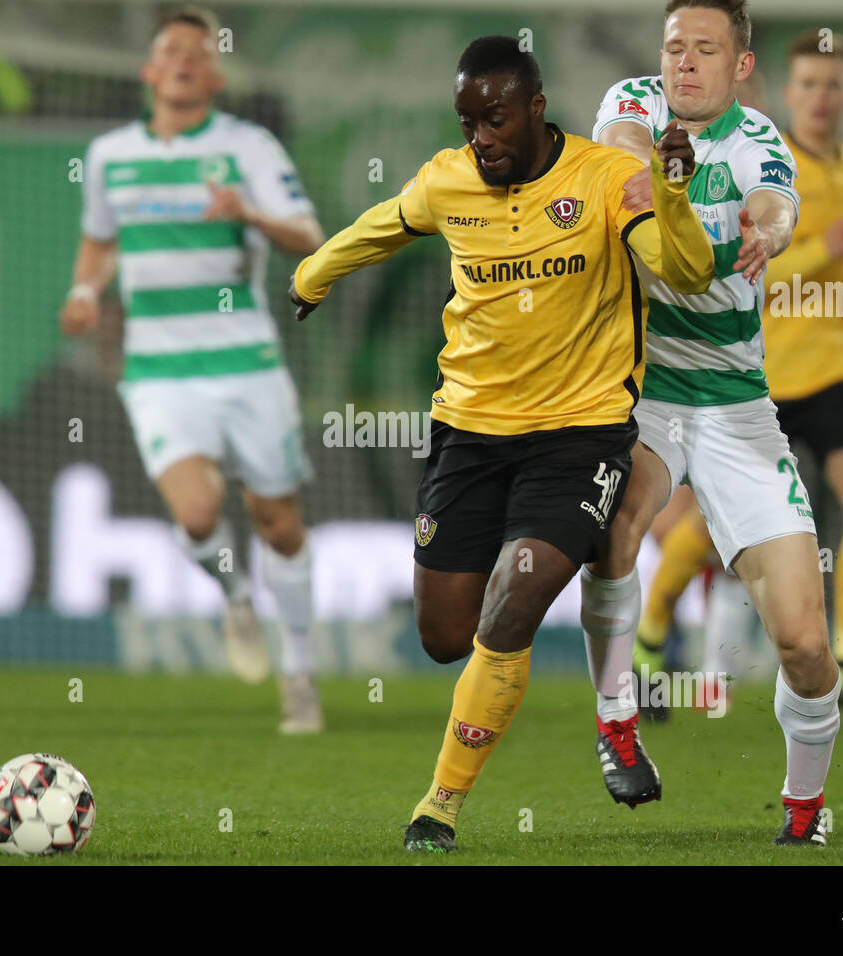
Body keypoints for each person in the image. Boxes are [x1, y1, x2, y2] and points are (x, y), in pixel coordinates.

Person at [290, 36, 714, 852]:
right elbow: (385, 224)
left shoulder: (600, 180)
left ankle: (438, 806)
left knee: (516, 600)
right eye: (467, 121)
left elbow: (685, 272)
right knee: (446, 636)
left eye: (493, 119)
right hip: (469, 433)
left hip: (578, 435)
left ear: (534, 109)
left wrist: (671, 194)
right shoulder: (449, 179)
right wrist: (315, 272)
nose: (479, 137)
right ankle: (526, 670)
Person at [586, 0, 841, 845]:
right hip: (644, 391)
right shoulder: (632, 103)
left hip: (737, 409)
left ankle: (803, 812)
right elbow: (622, 157)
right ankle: (617, 717)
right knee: (614, 524)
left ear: (739, 64)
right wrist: (659, 168)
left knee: (805, 642)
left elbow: (776, 204)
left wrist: (765, 231)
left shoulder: (760, 138)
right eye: (674, 47)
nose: (683, 63)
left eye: (704, 50)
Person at [60, 6, 328, 733]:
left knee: (278, 523)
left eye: (195, 52)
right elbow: (98, 243)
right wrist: (85, 293)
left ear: (214, 73)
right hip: (158, 367)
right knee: (198, 513)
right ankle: (237, 601)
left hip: (247, 363)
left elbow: (310, 236)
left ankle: (298, 672)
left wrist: (251, 213)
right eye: (169, 50)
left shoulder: (249, 146)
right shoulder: (110, 155)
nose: (181, 61)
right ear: (149, 71)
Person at [634, 30, 843, 723]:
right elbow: (752, 263)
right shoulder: (760, 157)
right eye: (807, 84)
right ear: (787, 92)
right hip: (763, 372)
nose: (820, 97)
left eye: (832, 84)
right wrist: (817, 250)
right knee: (709, 530)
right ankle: (651, 641)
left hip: (832, 370)